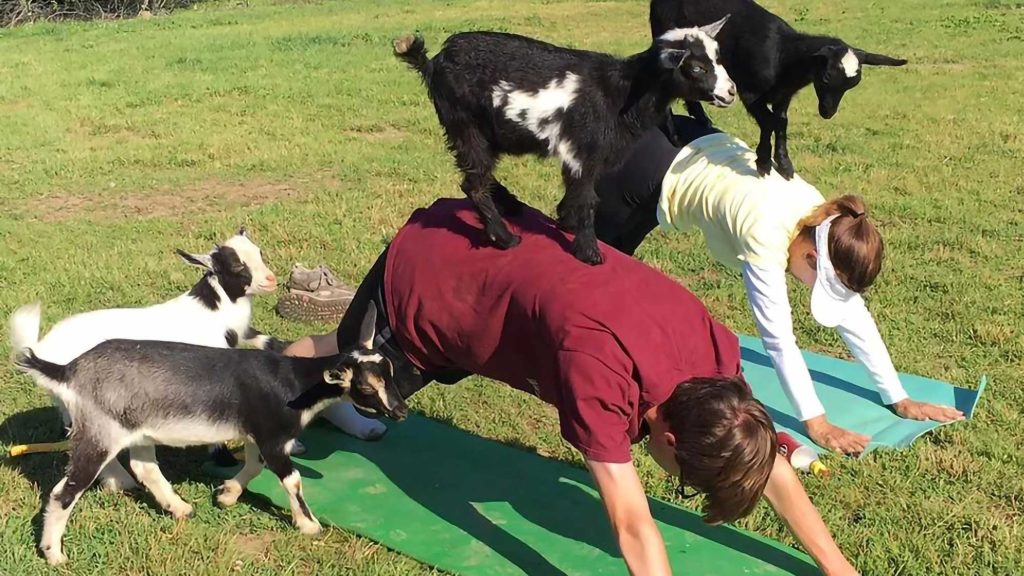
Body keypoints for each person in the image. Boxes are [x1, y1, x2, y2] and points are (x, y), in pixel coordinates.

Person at [285, 198, 860, 575]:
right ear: (669, 440)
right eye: (681, 483)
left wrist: (838, 566)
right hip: (435, 276)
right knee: (346, 369)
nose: (671, 486)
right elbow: (632, 523)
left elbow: (767, 460)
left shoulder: (716, 365)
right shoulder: (600, 376)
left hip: (507, 265)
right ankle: (265, 382)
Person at [591, 115, 964, 455]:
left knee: (607, 273)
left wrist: (897, 397)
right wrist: (816, 422)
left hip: (692, 138)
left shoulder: (826, 221)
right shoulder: (766, 235)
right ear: (813, 261)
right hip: (643, 166)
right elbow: (779, 340)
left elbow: (853, 316)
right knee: (593, 271)